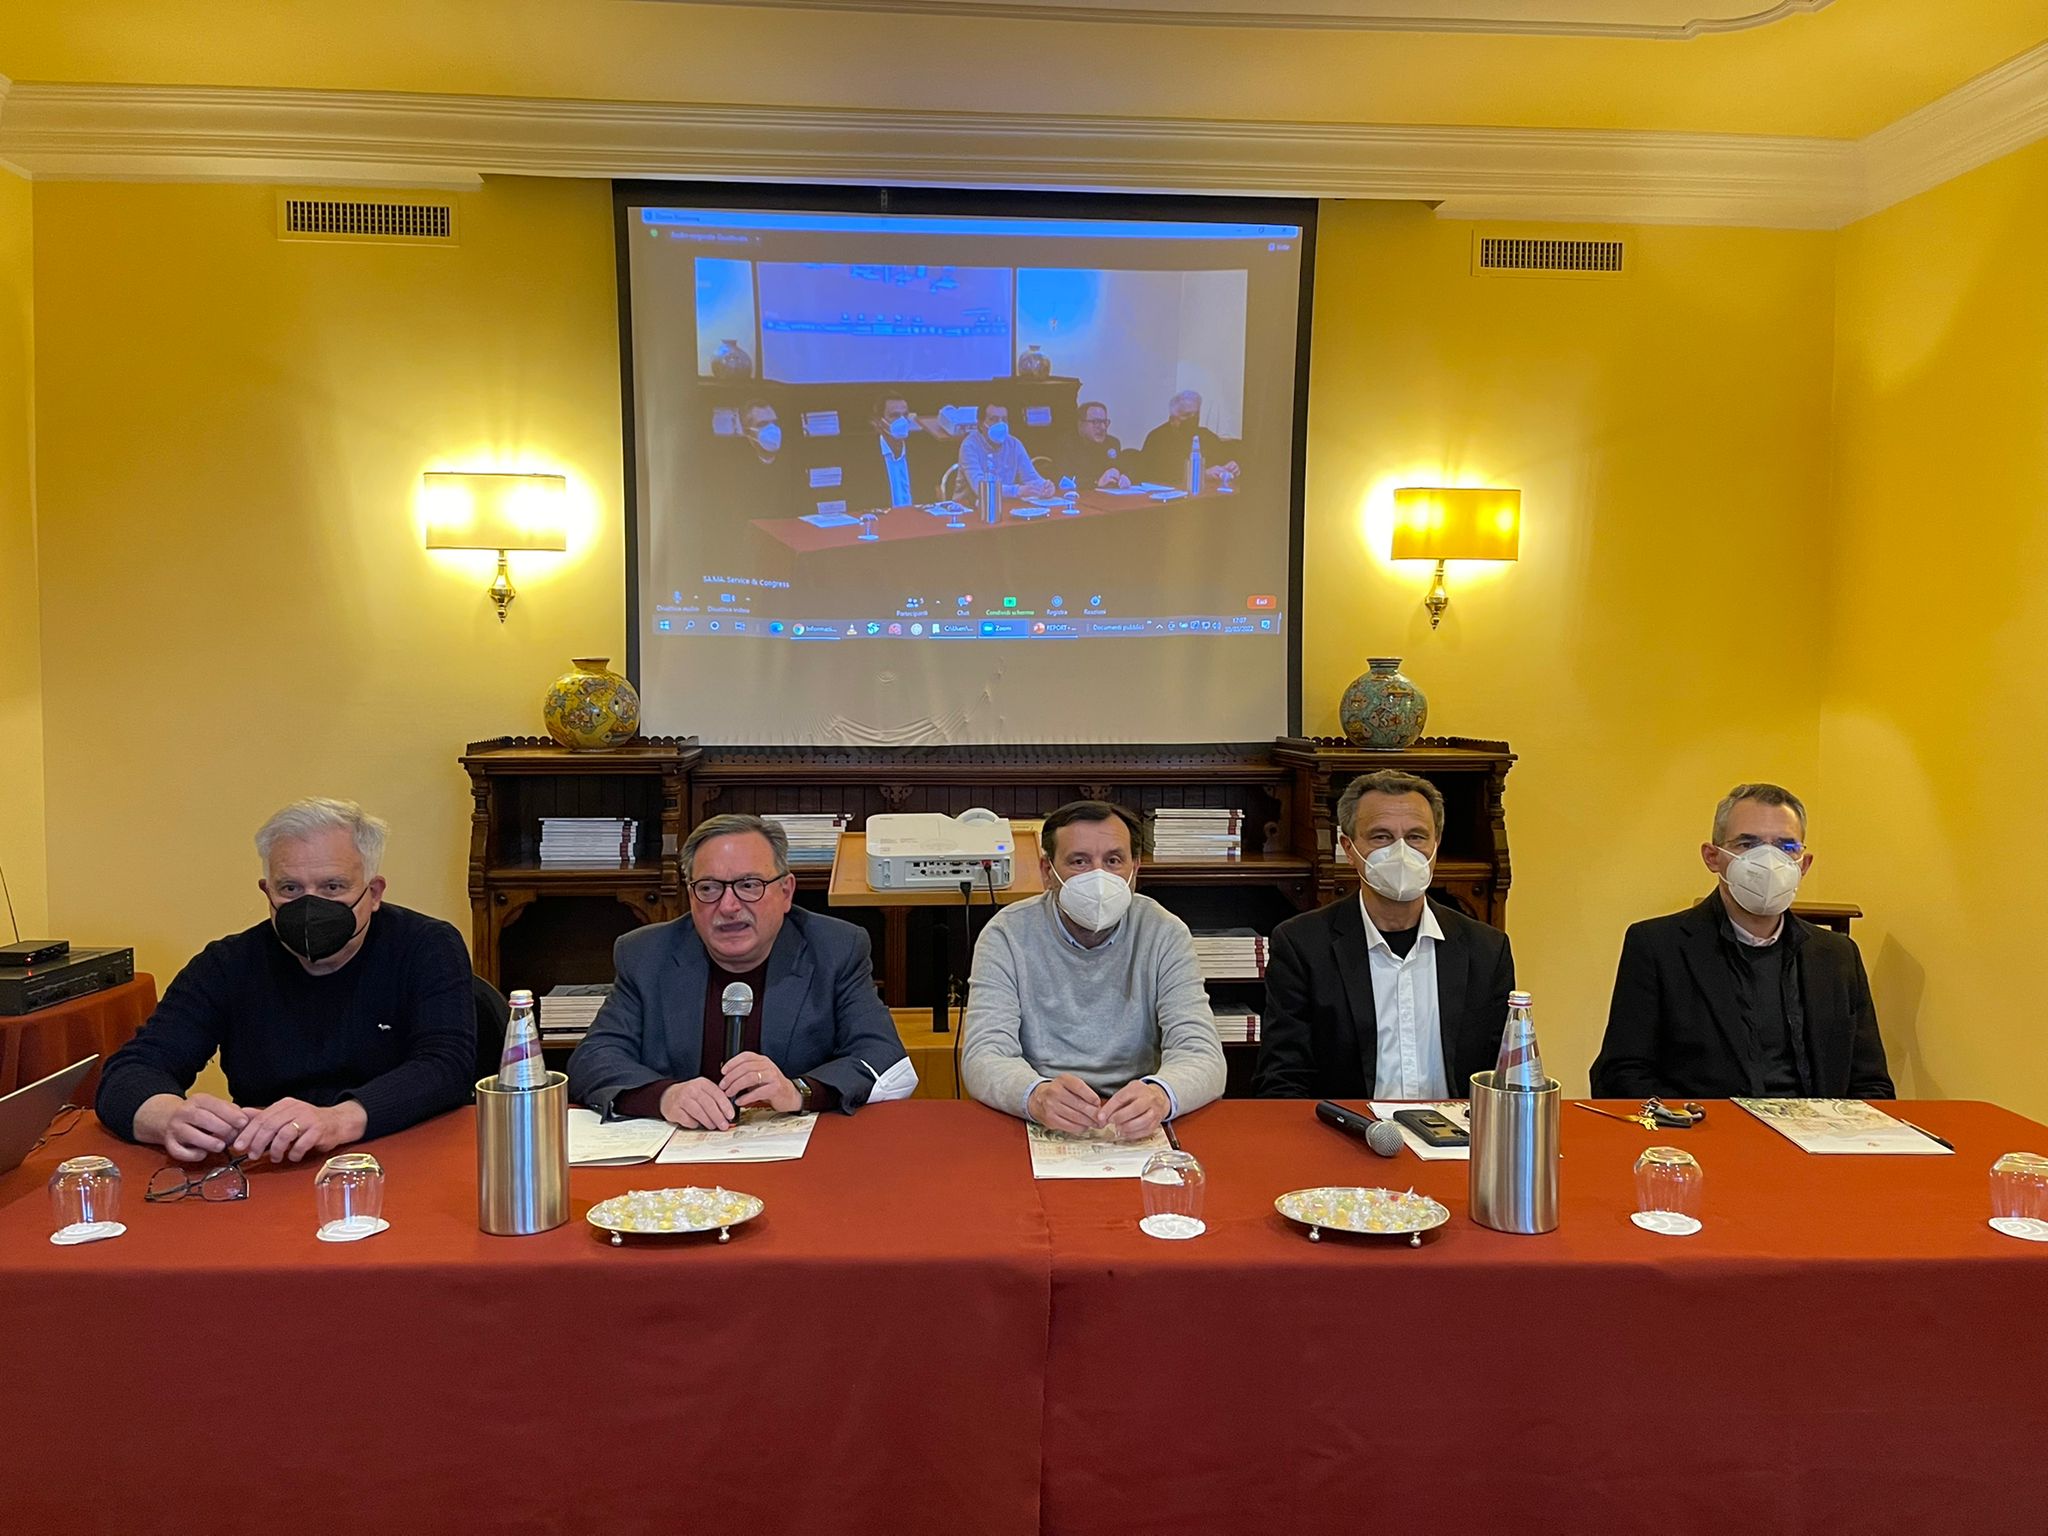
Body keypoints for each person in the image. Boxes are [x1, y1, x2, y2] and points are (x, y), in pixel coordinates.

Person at [95, 798, 476, 1163]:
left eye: (332, 887)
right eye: (290, 889)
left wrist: (337, 1120)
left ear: (373, 893)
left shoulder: (427, 946)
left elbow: (447, 1066)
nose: (310, 906)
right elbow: (129, 1072)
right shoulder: (226, 964)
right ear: (267, 891)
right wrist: (169, 1117)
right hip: (270, 1163)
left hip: (401, 1152)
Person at [568, 814, 914, 1125]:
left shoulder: (835, 948)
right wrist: (664, 1096)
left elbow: (882, 1058)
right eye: (709, 888)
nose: (728, 906)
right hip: (681, 1154)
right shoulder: (646, 954)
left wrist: (799, 1091)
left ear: (786, 892)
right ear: (691, 895)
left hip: (797, 1152)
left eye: (749, 885)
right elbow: (592, 1060)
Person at [1592, 783, 1894, 1100]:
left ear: (1803, 865)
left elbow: (1872, 1085)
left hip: (1817, 1127)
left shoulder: (1837, 955)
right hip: (1706, 1126)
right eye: (1748, 844)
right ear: (1713, 857)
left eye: (1786, 846)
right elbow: (1620, 1077)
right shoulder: (1657, 947)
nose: (1768, 860)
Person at [961, 801, 1224, 1137]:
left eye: (1113, 861)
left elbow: (1202, 1053)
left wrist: (1160, 1095)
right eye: (1079, 861)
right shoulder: (1007, 935)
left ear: (1135, 869)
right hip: (1038, 1116)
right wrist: (1035, 1096)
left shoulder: (1164, 932)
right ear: (1047, 872)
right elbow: (984, 1054)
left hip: (1137, 1118)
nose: (1099, 877)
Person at [1253, 770, 1515, 1100]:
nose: (1401, 851)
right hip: (1348, 1128)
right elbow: (1281, 1081)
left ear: (1436, 845)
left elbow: (1503, 1077)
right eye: (1381, 837)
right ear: (1349, 849)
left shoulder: (1487, 949)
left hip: (1456, 1130)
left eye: (1416, 837)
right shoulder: (1302, 945)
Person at [845, 392, 943, 512]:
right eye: (895, 416)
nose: (902, 421)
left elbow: (927, 500)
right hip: (884, 521)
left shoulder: (920, 456)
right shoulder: (863, 459)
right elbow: (861, 505)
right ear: (879, 421)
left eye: (905, 415)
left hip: (917, 519)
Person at [956, 402, 1054, 509]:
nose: (1000, 424)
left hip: (1004, 506)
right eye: (994, 419)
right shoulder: (969, 446)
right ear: (980, 424)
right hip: (968, 508)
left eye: (1004, 420)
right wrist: (1017, 491)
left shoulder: (1014, 444)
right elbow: (981, 489)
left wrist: (1044, 486)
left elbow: (1031, 478)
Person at [1136, 389, 1240, 488]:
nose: (1193, 419)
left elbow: (1224, 458)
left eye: (1196, 414)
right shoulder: (1157, 438)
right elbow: (1158, 473)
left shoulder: (1206, 436)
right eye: (1187, 415)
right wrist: (1201, 475)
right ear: (1173, 419)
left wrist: (1231, 467)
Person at [1061, 400, 1130, 490]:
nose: (1103, 427)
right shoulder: (1067, 444)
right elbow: (1064, 480)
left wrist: (1124, 477)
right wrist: (1096, 482)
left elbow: (1121, 467)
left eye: (1105, 422)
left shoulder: (1112, 443)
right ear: (1080, 425)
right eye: (1096, 422)